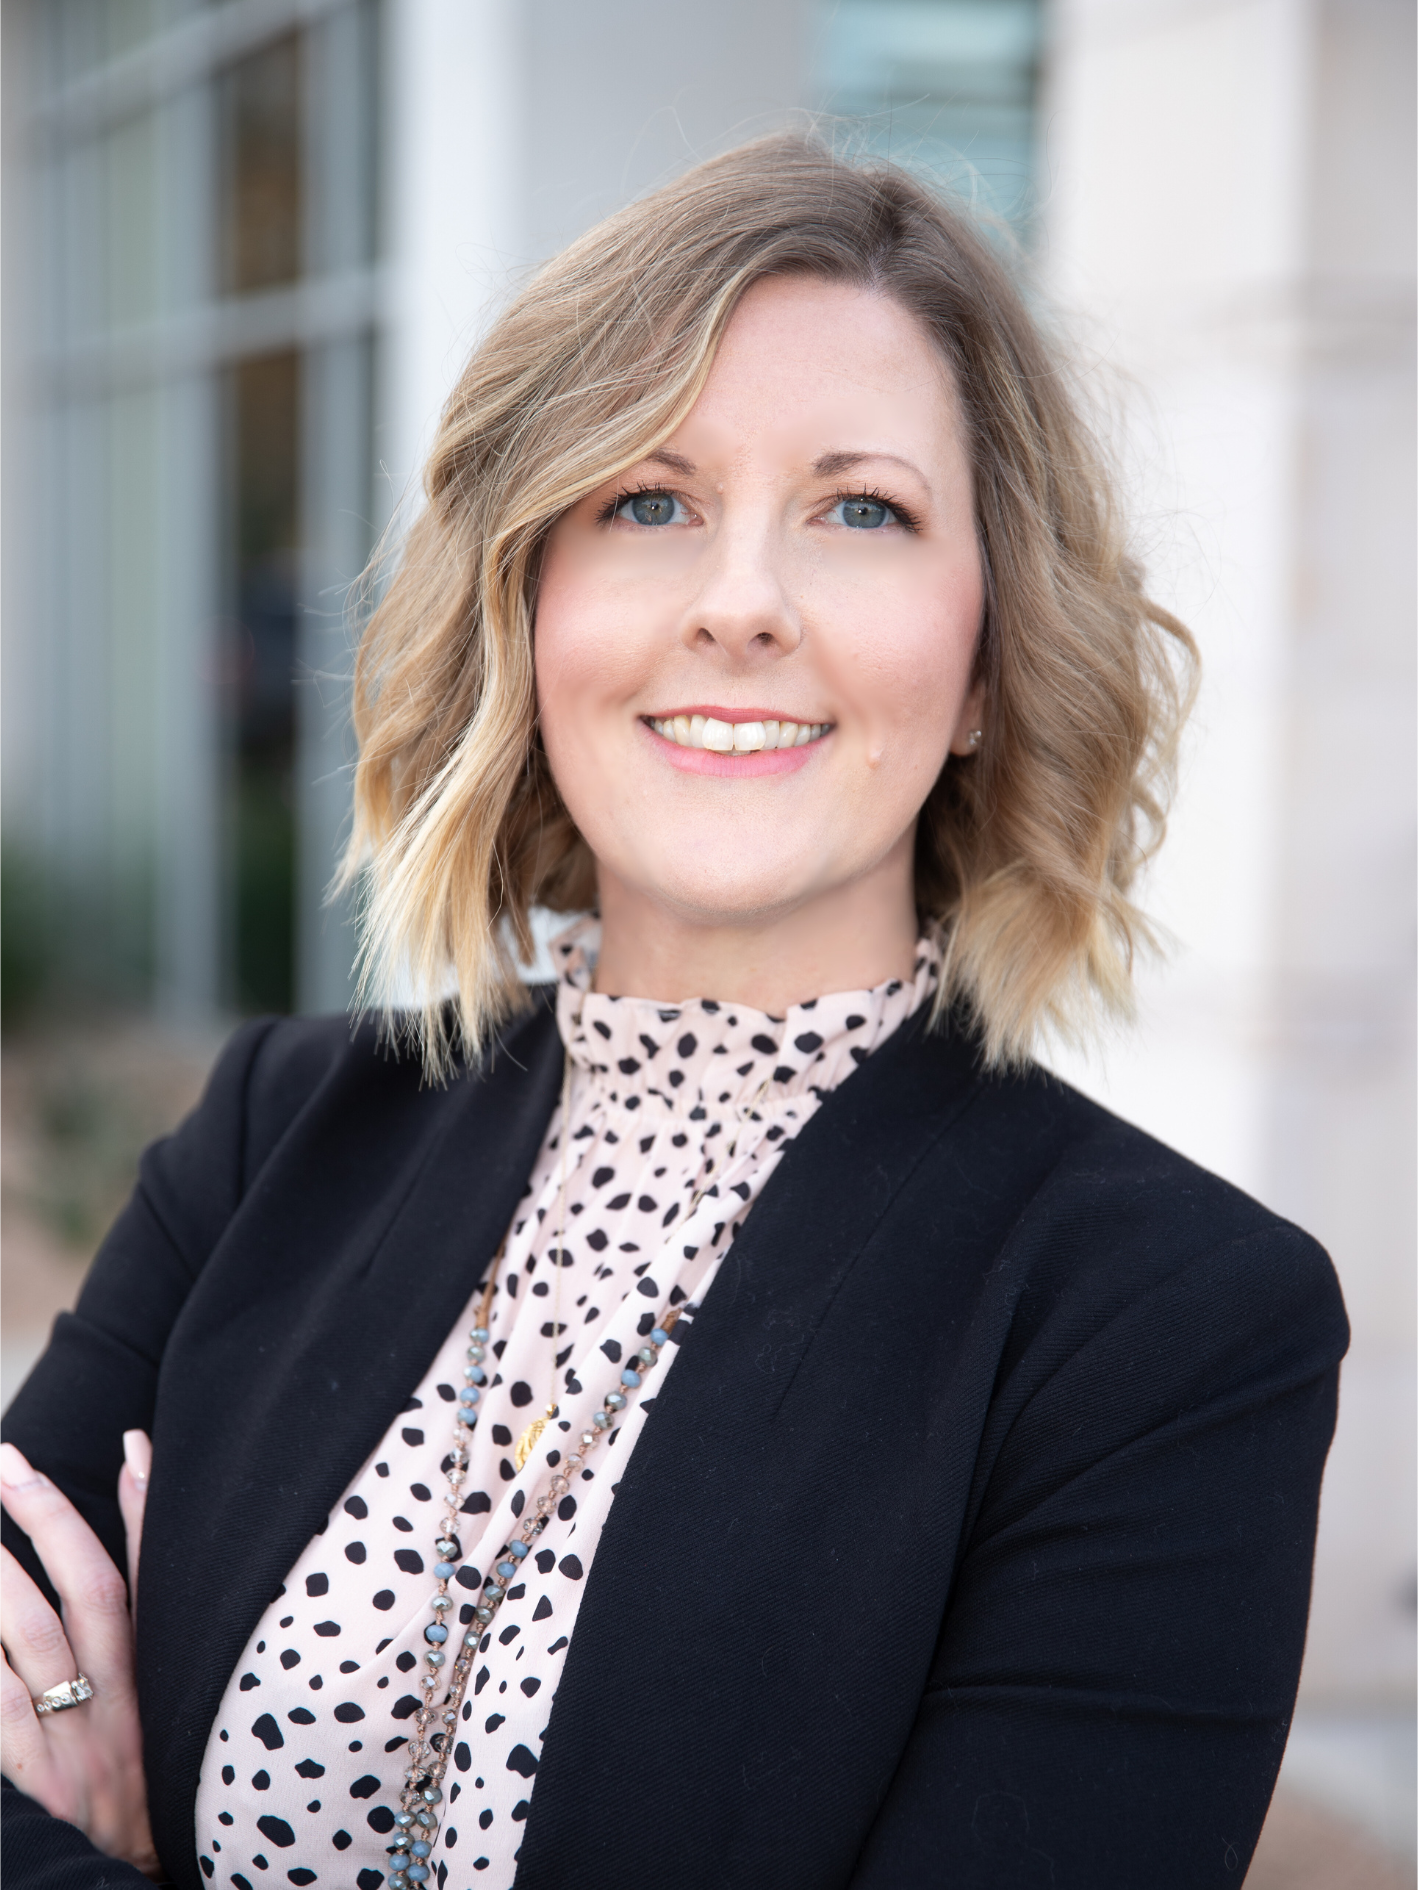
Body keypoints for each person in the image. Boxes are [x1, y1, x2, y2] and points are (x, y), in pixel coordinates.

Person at [0, 135, 1346, 1890]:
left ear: (987, 667)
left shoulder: (1162, 1331)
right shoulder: (276, 1132)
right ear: (528, 603)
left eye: (861, 509)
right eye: (648, 498)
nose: (740, 603)